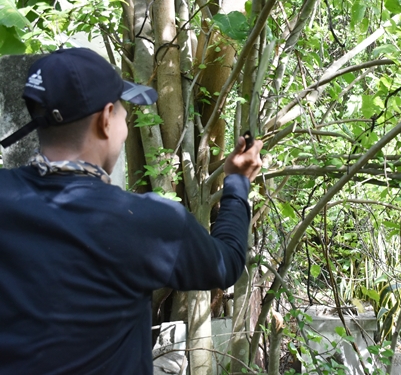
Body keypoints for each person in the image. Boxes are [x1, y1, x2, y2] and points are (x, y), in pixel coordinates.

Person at [0, 48, 263, 374]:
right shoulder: (147, 223)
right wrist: (237, 182)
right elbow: (228, 262)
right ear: (105, 119)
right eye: (124, 112)